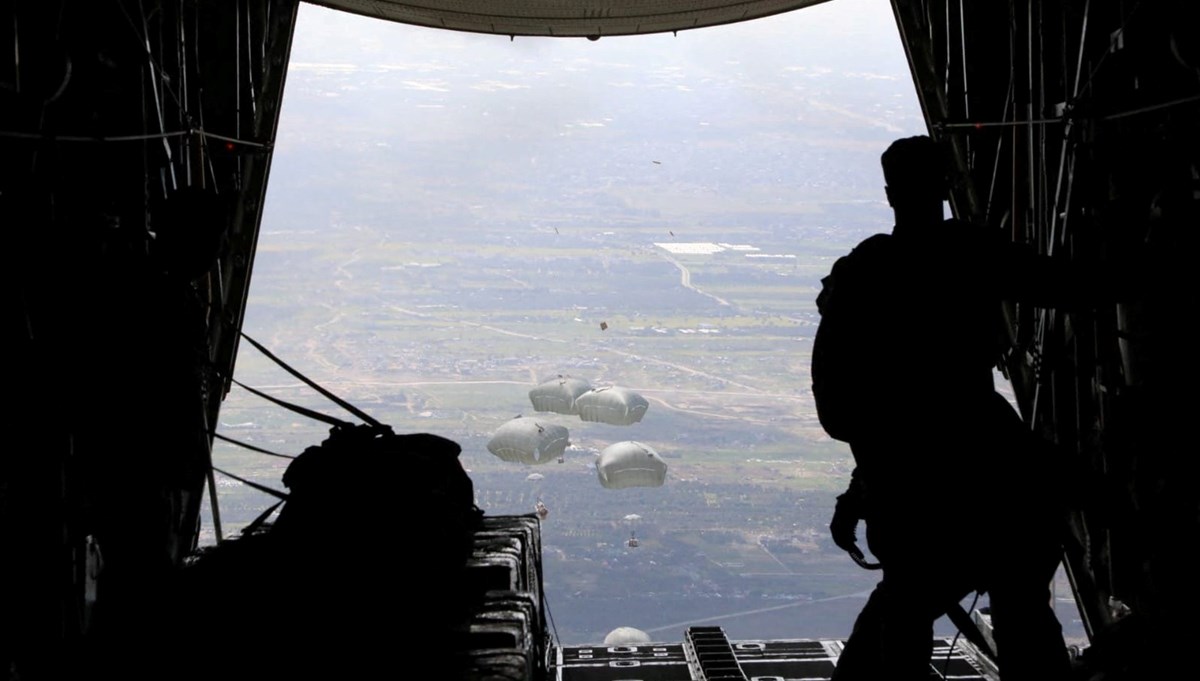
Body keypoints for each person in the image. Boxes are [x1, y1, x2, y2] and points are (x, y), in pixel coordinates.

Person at [814, 135, 1078, 680]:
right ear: (948, 187)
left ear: (890, 195)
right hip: (993, 476)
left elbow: (850, 407)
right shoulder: (974, 254)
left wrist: (868, 482)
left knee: (900, 624)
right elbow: (1070, 285)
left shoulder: (864, 272)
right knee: (1025, 620)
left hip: (908, 485)